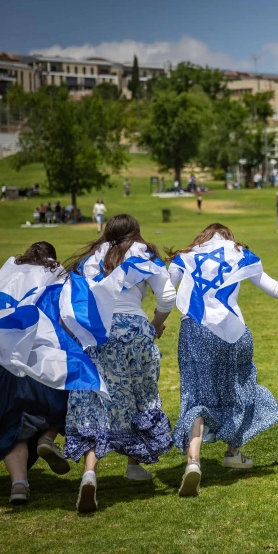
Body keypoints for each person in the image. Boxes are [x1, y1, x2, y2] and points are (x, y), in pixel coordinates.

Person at [167, 224, 278, 497]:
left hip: (195, 331)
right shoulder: (240, 253)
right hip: (233, 332)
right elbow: (276, 289)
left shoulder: (187, 256)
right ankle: (233, 450)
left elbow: (166, 292)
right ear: (229, 237)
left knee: (196, 395)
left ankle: (193, 460)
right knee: (241, 389)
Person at [62, 215, 176, 513]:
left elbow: (80, 298)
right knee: (141, 394)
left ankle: (90, 472)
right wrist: (156, 324)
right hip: (136, 328)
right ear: (135, 232)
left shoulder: (91, 258)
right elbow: (167, 295)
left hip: (100, 332)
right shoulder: (143, 253)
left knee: (96, 399)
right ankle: (134, 465)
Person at [0, 243, 73, 504]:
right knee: (68, 401)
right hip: (41, 365)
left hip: (4, 369)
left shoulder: (5, 283)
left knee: (9, 425)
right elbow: (68, 320)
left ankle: (19, 484)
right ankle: (48, 438)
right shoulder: (55, 284)